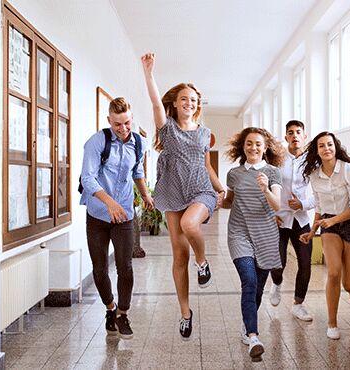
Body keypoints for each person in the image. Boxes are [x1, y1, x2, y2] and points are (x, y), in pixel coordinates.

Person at [141, 53, 225, 339]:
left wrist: (219, 186)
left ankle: (202, 262)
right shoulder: (167, 129)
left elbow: (205, 164)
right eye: (184, 99)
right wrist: (149, 73)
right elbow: (154, 102)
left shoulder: (205, 133)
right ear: (175, 104)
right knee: (179, 254)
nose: (190, 103)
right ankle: (185, 313)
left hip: (200, 189)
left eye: (194, 100)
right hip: (172, 190)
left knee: (191, 226)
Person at [79, 97, 154, 338]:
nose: (123, 129)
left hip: (123, 215)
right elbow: (87, 178)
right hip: (98, 215)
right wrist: (109, 203)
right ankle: (110, 308)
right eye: (118, 124)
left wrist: (145, 195)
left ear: (131, 119)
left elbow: (137, 171)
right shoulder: (97, 142)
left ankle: (122, 314)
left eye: (127, 123)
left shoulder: (138, 143)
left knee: (126, 268)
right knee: (100, 270)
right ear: (109, 120)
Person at [299, 131, 350, 340]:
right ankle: (332, 323)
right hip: (329, 226)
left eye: (330, 144)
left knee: (348, 283)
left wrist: (333, 220)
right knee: (333, 273)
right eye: (322, 146)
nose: (326, 149)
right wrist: (312, 232)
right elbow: (320, 207)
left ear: (335, 147)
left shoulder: (347, 170)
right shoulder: (314, 175)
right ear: (317, 151)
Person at [223, 127, 285, 360]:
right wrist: (218, 202)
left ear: (265, 147)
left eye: (258, 144)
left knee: (257, 288)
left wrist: (265, 188)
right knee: (249, 281)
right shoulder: (234, 174)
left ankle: (246, 323)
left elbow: (277, 205)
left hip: (266, 235)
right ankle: (253, 335)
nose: (253, 148)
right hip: (239, 233)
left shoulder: (273, 172)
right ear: (243, 146)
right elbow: (229, 201)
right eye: (249, 143)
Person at [269, 120, 315, 322]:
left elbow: (321, 193)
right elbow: (267, 187)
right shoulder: (277, 159)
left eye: (298, 132)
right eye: (290, 132)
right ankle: (276, 283)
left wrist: (303, 204)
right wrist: (271, 212)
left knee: (305, 264)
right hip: (280, 218)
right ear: (286, 137)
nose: (295, 135)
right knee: (278, 264)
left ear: (304, 136)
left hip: (302, 220)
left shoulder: (312, 161)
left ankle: (298, 304)